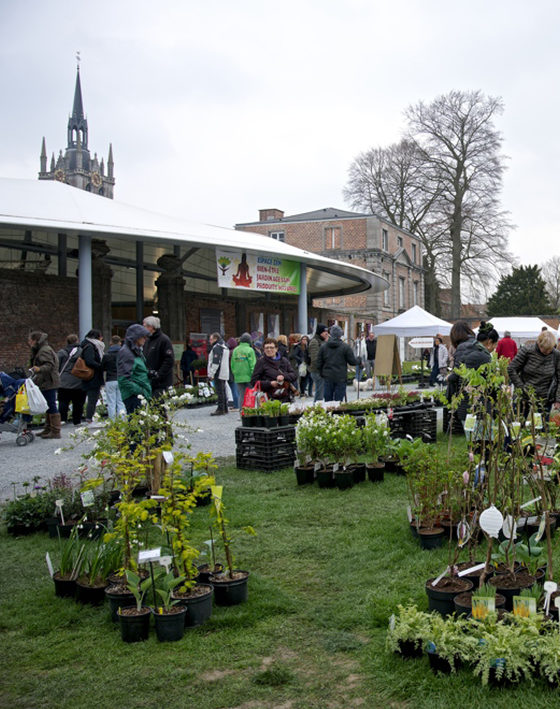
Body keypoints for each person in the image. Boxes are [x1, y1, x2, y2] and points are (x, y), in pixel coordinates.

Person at [447, 321, 498, 422]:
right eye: (495, 344)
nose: (494, 348)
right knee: (482, 436)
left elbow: (457, 375)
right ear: (489, 342)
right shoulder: (482, 354)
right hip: (479, 404)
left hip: (464, 402)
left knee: (471, 435)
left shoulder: (463, 348)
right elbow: (490, 382)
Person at [508, 329, 560, 415]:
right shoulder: (527, 351)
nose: (547, 352)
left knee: (543, 426)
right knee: (519, 424)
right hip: (524, 396)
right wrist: (521, 387)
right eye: (544, 349)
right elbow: (511, 369)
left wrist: (558, 399)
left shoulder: (556, 355)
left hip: (544, 398)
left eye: (549, 349)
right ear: (539, 343)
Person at [27, 331, 61, 439]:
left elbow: (49, 365)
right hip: (46, 381)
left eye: (30, 340)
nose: (29, 342)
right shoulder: (42, 349)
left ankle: (55, 431)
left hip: (48, 381)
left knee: (51, 405)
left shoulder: (44, 350)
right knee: (47, 405)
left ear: (35, 340)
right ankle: (48, 428)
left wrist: (39, 369)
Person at [317, 325, 358, 402]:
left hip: (328, 376)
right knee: (338, 401)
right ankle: (337, 413)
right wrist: (359, 360)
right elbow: (352, 362)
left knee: (328, 401)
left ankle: (329, 413)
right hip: (340, 377)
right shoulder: (345, 347)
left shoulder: (323, 347)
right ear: (340, 335)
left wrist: (321, 373)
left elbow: (319, 362)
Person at [117, 324, 152, 415]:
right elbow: (123, 379)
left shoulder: (135, 351)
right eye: (143, 336)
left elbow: (137, 370)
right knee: (136, 425)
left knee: (139, 424)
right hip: (133, 396)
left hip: (137, 394)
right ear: (136, 337)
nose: (145, 339)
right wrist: (140, 391)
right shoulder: (127, 352)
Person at [250, 337, 297, 401]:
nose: (269, 350)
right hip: (268, 398)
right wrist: (270, 384)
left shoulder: (284, 361)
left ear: (276, 349)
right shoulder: (261, 362)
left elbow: (294, 375)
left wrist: (284, 376)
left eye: (271, 347)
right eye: (266, 348)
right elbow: (254, 381)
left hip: (285, 397)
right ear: (263, 349)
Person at [57, 334, 87, 426]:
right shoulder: (82, 352)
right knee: (78, 403)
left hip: (64, 382)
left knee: (63, 402)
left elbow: (56, 366)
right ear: (77, 341)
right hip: (79, 380)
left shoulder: (62, 352)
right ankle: (77, 421)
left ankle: (62, 419)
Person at [143, 316, 175, 398]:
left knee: (159, 406)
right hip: (150, 381)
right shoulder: (147, 341)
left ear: (151, 327)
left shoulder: (164, 340)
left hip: (161, 383)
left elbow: (169, 360)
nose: (143, 328)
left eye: (145, 326)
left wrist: (158, 375)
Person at [79, 329, 105, 424]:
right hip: (92, 376)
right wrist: (101, 366)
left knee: (91, 398)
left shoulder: (88, 345)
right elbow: (89, 361)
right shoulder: (90, 346)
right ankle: (89, 418)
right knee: (92, 398)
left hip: (89, 376)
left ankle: (86, 417)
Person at [102, 335, 126, 419]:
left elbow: (102, 367)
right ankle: (122, 420)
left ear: (111, 343)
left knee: (111, 402)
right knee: (121, 401)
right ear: (120, 343)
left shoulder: (107, 355)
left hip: (110, 379)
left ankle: (112, 421)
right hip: (122, 378)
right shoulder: (124, 354)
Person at [231, 332, 257, 408]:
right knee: (251, 395)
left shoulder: (235, 350)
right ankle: (250, 412)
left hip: (238, 376)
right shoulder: (250, 350)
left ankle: (241, 413)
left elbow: (232, 364)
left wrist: (235, 373)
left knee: (241, 395)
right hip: (249, 376)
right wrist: (254, 375)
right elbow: (252, 364)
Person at [208, 332, 230, 416]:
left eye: (211, 339)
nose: (209, 341)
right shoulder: (225, 346)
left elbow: (216, 362)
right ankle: (225, 408)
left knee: (219, 391)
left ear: (215, 339)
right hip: (224, 371)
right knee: (223, 390)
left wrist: (211, 373)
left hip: (218, 372)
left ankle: (220, 409)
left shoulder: (217, 347)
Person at [308, 323, 329, 401]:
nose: (327, 333)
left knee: (321, 391)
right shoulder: (314, 342)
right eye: (324, 332)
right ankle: (317, 407)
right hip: (317, 371)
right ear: (320, 332)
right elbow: (315, 359)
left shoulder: (322, 341)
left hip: (322, 370)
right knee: (319, 391)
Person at [226, 337, 240, 410]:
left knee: (233, 389)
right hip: (237, 372)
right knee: (236, 389)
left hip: (231, 372)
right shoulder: (237, 351)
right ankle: (237, 404)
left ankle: (236, 405)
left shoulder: (229, 352)